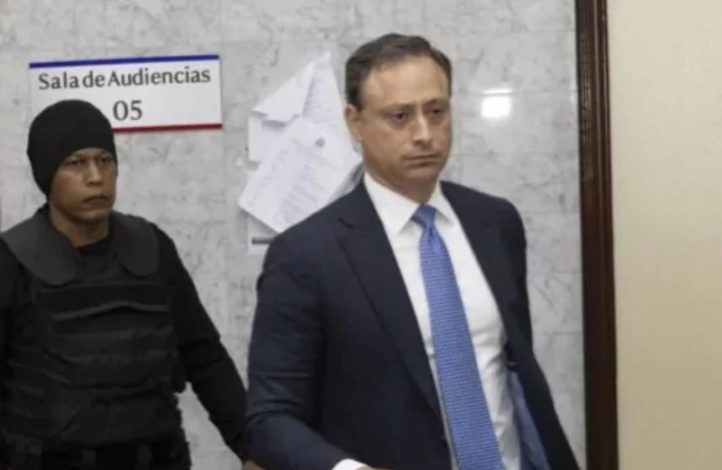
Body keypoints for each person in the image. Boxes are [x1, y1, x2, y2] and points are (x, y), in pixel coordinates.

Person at [245, 34, 579, 470]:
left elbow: (511, 371)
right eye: (399, 117)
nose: (424, 134)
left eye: (436, 111)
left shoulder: (495, 223)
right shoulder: (306, 255)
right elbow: (270, 421)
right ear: (354, 122)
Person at [0, 99, 247, 470]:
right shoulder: (13, 260)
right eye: (75, 163)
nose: (95, 177)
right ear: (47, 176)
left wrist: (251, 445)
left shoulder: (152, 247)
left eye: (105, 160)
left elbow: (203, 356)